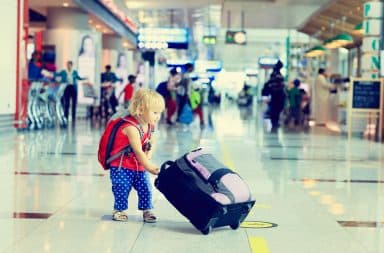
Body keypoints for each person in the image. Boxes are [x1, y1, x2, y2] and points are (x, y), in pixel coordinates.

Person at [108, 88, 165, 223]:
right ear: (140, 110)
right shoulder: (131, 127)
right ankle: (119, 210)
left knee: (145, 187)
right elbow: (138, 151)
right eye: (155, 112)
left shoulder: (150, 126)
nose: (158, 116)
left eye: (160, 113)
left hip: (138, 166)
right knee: (121, 187)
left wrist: (149, 155)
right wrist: (150, 167)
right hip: (121, 166)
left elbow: (152, 141)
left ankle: (147, 210)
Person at [262, 60, 286, 132]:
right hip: (277, 94)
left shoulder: (275, 73)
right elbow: (277, 84)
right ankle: (274, 121)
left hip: (276, 93)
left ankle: (275, 121)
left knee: (276, 108)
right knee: (276, 108)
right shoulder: (276, 74)